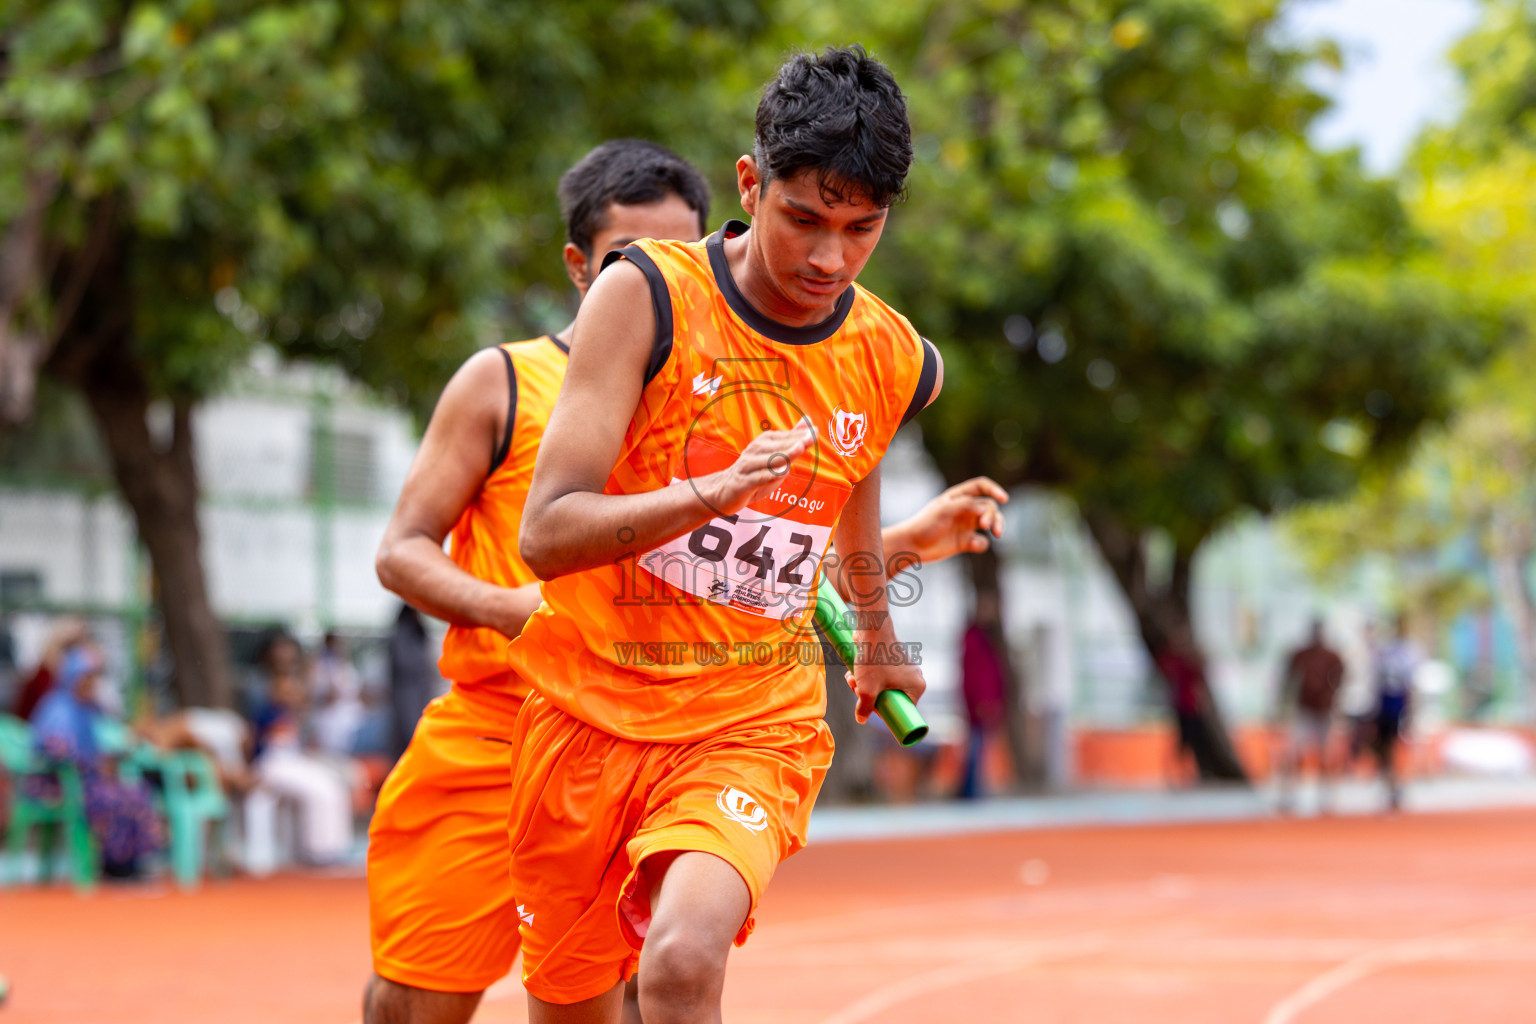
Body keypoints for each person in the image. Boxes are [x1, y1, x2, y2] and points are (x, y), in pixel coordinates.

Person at [366, 134, 1003, 1024]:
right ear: (582, 267)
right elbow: (411, 551)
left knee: (670, 967)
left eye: (673, 248)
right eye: (629, 256)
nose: (828, 256)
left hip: (716, 721)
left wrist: (899, 562)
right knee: (422, 1001)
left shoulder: (773, 352)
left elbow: (763, 561)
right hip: (524, 721)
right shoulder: (507, 383)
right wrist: (516, 610)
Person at [507, 47, 934, 1023]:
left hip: (749, 720)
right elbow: (547, 532)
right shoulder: (645, 295)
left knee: (683, 960)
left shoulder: (892, 354)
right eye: (805, 220)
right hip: (584, 716)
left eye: (861, 229)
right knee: (573, 1006)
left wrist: (876, 634)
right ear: (751, 184)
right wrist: (708, 492)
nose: (830, 258)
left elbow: (852, 478)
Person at [28, 644, 163, 878]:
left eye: (93, 677)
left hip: (85, 782)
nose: (91, 683)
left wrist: (114, 757)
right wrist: (93, 764)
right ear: (72, 677)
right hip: (56, 786)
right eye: (86, 677)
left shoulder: (89, 710)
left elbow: (102, 746)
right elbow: (56, 750)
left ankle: (127, 866)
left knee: (137, 792)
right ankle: (114, 866)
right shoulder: (56, 708)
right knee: (113, 798)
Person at [243, 631, 353, 873]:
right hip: (271, 762)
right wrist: (250, 766)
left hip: (293, 758)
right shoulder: (259, 689)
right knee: (320, 788)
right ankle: (320, 852)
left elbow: (312, 704)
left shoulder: (299, 690)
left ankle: (332, 848)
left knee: (333, 783)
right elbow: (251, 738)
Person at [1275, 618, 1345, 813]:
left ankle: (1326, 798)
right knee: (1293, 752)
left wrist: (1331, 695)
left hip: (1324, 709)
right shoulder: (1301, 655)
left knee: (1325, 753)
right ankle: (1287, 796)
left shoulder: (1332, 656)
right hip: (1303, 708)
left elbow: (1341, 677)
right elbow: (1288, 678)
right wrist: (1282, 705)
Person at [959, 592, 1008, 799]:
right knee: (976, 747)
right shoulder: (974, 639)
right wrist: (983, 701)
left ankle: (974, 788)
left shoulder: (984, 638)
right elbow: (977, 675)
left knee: (980, 747)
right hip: (979, 703)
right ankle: (970, 790)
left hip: (982, 701)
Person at [1372, 614, 1420, 811]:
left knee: (1399, 747)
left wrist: (1412, 709)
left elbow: (1411, 683)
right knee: (1384, 747)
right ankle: (1389, 786)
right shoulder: (1384, 651)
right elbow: (1376, 680)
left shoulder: (1409, 651)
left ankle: (1399, 786)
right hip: (1385, 703)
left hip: (1399, 703)